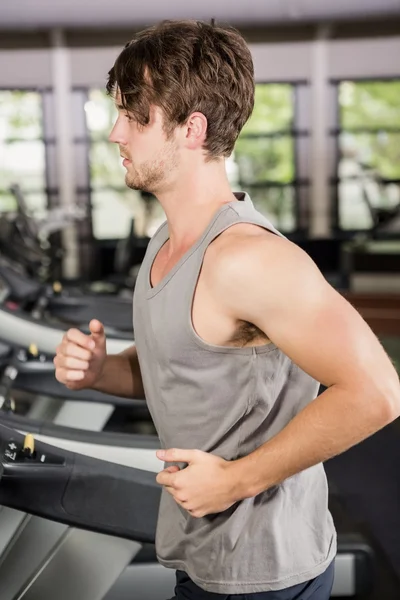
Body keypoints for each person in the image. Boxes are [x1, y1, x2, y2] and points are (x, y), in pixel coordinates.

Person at [54, 20, 400, 600]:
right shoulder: (166, 242)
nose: (116, 132)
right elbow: (183, 366)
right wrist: (101, 371)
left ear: (192, 129)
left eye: (135, 116)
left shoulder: (248, 258)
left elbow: (377, 392)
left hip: (262, 572)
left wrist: (235, 482)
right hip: (199, 549)